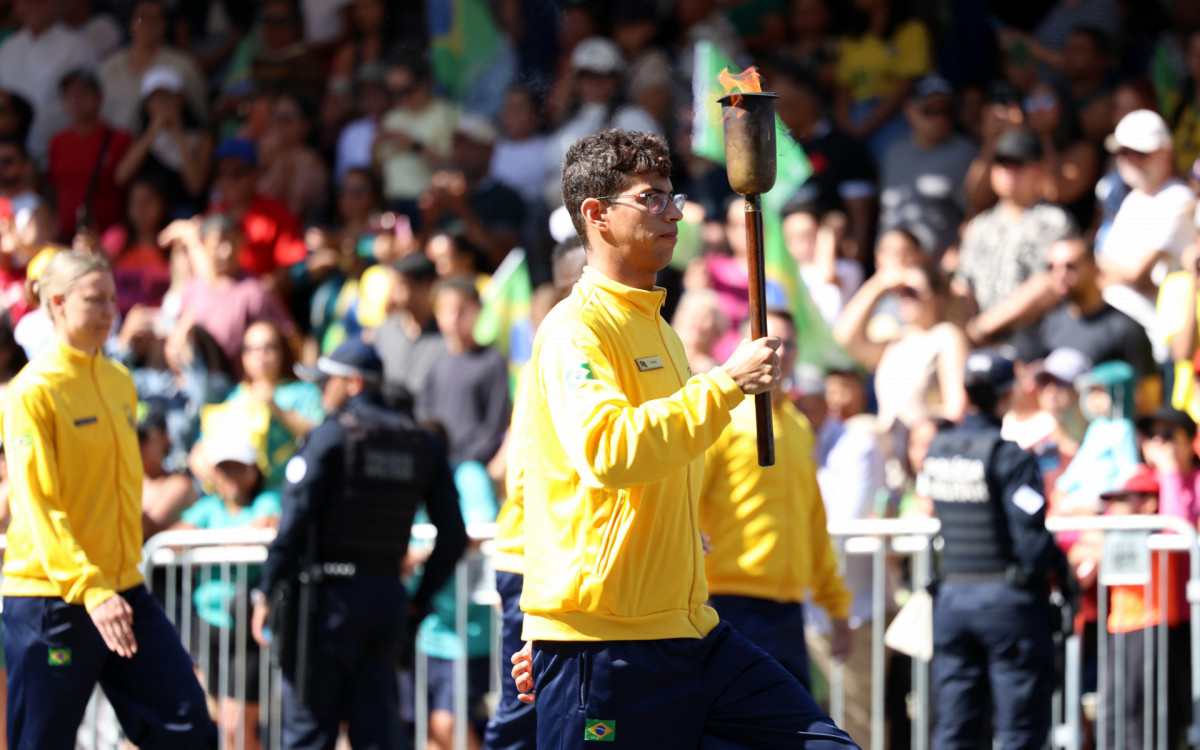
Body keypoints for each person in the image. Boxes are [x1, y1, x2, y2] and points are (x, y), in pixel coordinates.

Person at [510, 129, 855, 749]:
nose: (675, 212)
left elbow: (662, 462)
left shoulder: (661, 331)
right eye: (653, 199)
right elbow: (611, 452)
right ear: (596, 215)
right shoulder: (574, 332)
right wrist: (725, 384)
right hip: (603, 648)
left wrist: (671, 528)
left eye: (673, 197)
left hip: (692, 631)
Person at [0, 250, 214, 748]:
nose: (109, 312)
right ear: (56, 303)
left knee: (187, 729)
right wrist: (90, 588)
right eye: (94, 300)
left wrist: (108, 586)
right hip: (51, 599)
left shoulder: (120, 381)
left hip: (122, 588)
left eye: (112, 299)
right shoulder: (31, 392)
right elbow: (37, 502)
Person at [251, 340, 468, 749]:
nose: (320, 393)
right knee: (375, 733)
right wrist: (417, 600)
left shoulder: (330, 437)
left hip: (325, 604)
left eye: (325, 382)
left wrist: (265, 588)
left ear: (351, 383)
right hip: (386, 598)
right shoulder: (421, 442)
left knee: (309, 733)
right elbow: (454, 535)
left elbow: (293, 524)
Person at [919, 348, 1073, 749]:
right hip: (1007, 605)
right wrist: (1063, 571)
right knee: (1018, 731)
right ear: (1007, 395)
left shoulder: (938, 449)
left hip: (952, 601)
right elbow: (1033, 543)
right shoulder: (1011, 458)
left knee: (955, 728)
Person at [699, 308, 854, 693]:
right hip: (727, 603)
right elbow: (684, 500)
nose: (778, 354)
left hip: (786, 608)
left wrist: (835, 605)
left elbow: (813, 520)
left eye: (787, 344)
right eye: (769, 343)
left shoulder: (800, 427)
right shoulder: (721, 417)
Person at [47, 68, 132, 240]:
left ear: (99, 98)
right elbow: (53, 188)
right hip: (66, 237)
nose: (76, 101)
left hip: (109, 239)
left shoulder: (121, 139)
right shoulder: (57, 142)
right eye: (70, 95)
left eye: (83, 94)